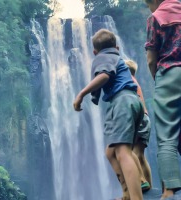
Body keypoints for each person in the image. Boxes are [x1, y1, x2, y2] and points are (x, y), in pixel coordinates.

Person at [73, 29, 144, 200]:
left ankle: (136, 197)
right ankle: (127, 192)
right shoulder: (117, 57)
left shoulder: (103, 57)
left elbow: (104, 76)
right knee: (111, 153)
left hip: (121, 102)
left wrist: (81, 94)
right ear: (117, 47)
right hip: (133, 102)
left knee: (122, 152)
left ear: (94, 52)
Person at [144, 0, 181, 199]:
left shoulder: (156, 17)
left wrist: (158, 79)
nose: (150, 9)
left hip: (169, 74)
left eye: (149, 4)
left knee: (167, 137)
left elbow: (151, 59)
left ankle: (169, 191)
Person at [125, 59, 152, 187]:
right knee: (140, 156)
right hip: (144, 119)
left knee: (133, 155)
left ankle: (141, 183)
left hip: (139, 120)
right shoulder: (135, 82)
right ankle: (149, 186)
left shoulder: (129, 81)